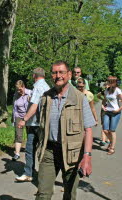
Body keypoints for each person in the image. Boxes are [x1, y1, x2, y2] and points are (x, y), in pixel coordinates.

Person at [35, 61, 95, 200]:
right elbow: (40, 126)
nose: (58, 76)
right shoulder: (45, 98)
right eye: (55, 72)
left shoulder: (79, 98)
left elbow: (88, 129)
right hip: (49, 151)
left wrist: (87, 157)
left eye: (61, 72)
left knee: (69, 194)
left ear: (69, 74)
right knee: (43, 194)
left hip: (72, 153)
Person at [15, 67, 50, 182]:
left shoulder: (37, 87)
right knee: (36, 148)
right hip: (42, 123)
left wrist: (24, 119)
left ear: (34, 76)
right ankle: (32, 173)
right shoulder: (47, 86)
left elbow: (34, 106)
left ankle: (34, 174)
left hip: (35, 124)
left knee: (34, 149)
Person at [102, 76, 122, 155]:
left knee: (112, 130)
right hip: (107, 112)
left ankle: (112, 148)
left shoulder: (117, 90)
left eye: (110, 82)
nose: (109, 83)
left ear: (114, 82)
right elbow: (104, 100)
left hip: (115, 113)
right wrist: (103, 106)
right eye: (108, 81)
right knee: (105, 130)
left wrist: (118, 110)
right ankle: (112, 142)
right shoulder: (106, 90)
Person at [11, 80, 32, 161]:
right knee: (18, 134)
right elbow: (14, 107)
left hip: (28, 116)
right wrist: (13, 118)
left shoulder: (30, 93)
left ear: (23, 86)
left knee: (30, 134)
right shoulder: (16, 95)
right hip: (18, 116)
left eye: (20, 89)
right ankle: (17, 153)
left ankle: (30, 150)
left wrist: (30, 100)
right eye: (17, 89)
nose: (19, 91)